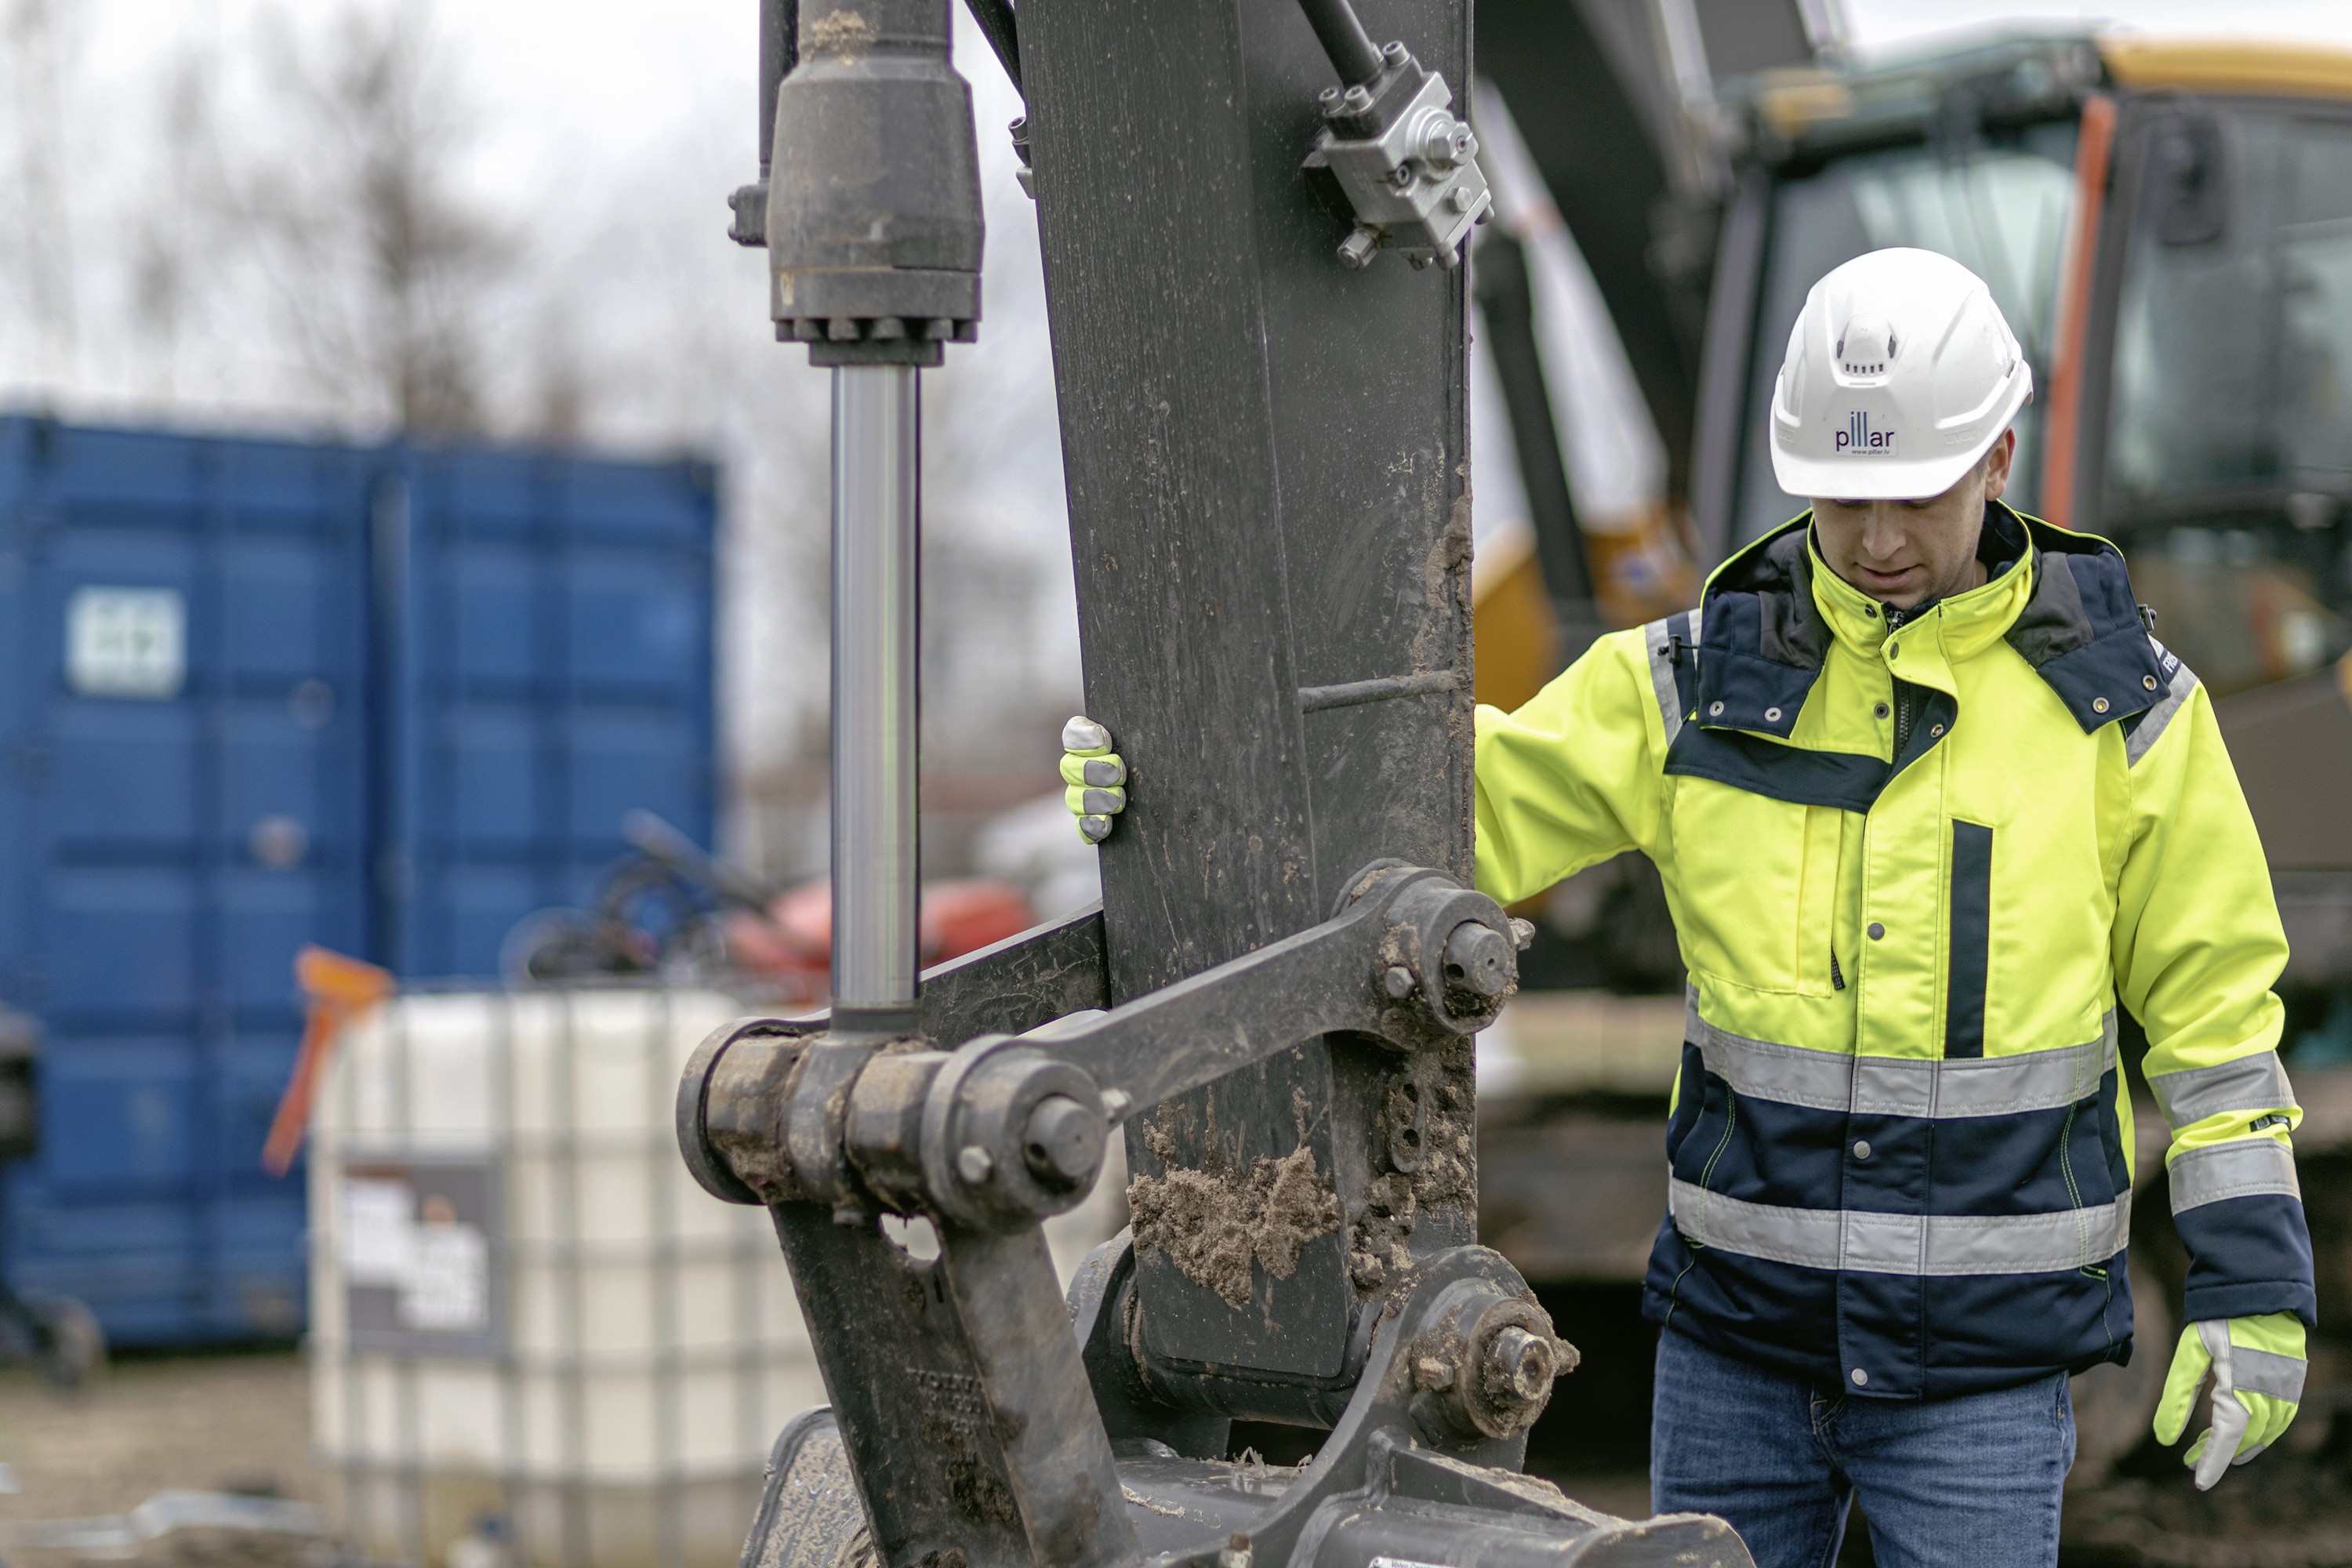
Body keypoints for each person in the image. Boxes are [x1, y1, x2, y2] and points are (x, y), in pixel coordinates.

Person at [1062, 249, 2314, 1567]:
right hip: (1738, 1361)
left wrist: (2255, 1294)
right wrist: (1183, 784)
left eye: (1914, 497)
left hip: (1984, 1381)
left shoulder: (2128, 714)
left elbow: (2217, 1024)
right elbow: (1432, 816)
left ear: (1998, 460)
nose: (1878, 542)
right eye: (1841, 501)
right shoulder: (1688, 685)